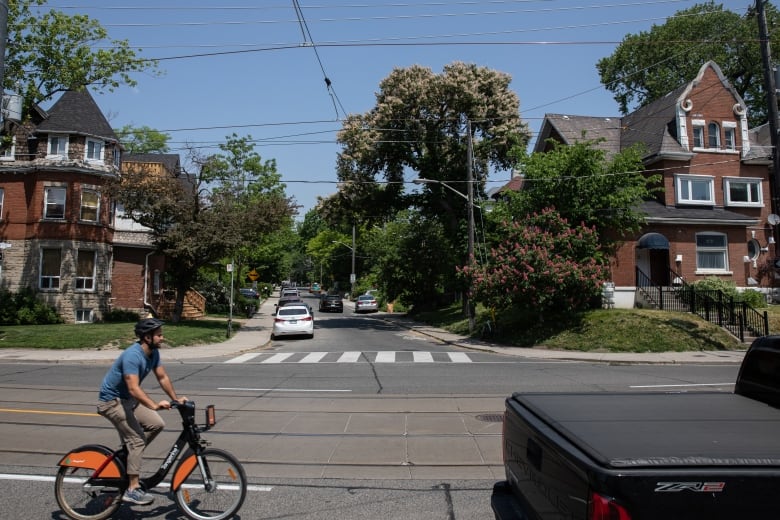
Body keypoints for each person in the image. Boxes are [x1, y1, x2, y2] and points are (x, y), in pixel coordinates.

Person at [96, 318, 186, 506]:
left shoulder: (152, 353)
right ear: (147, 337)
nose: (162, 338)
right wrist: (153, 405)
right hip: (112, 402)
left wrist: (175, 399)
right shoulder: (132, 356)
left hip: (128, 401)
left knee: (157, 424)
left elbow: (162, 377)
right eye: (159, 335)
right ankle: (132, 488)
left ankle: (130, 459)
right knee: (137, 439)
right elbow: (133, 388)